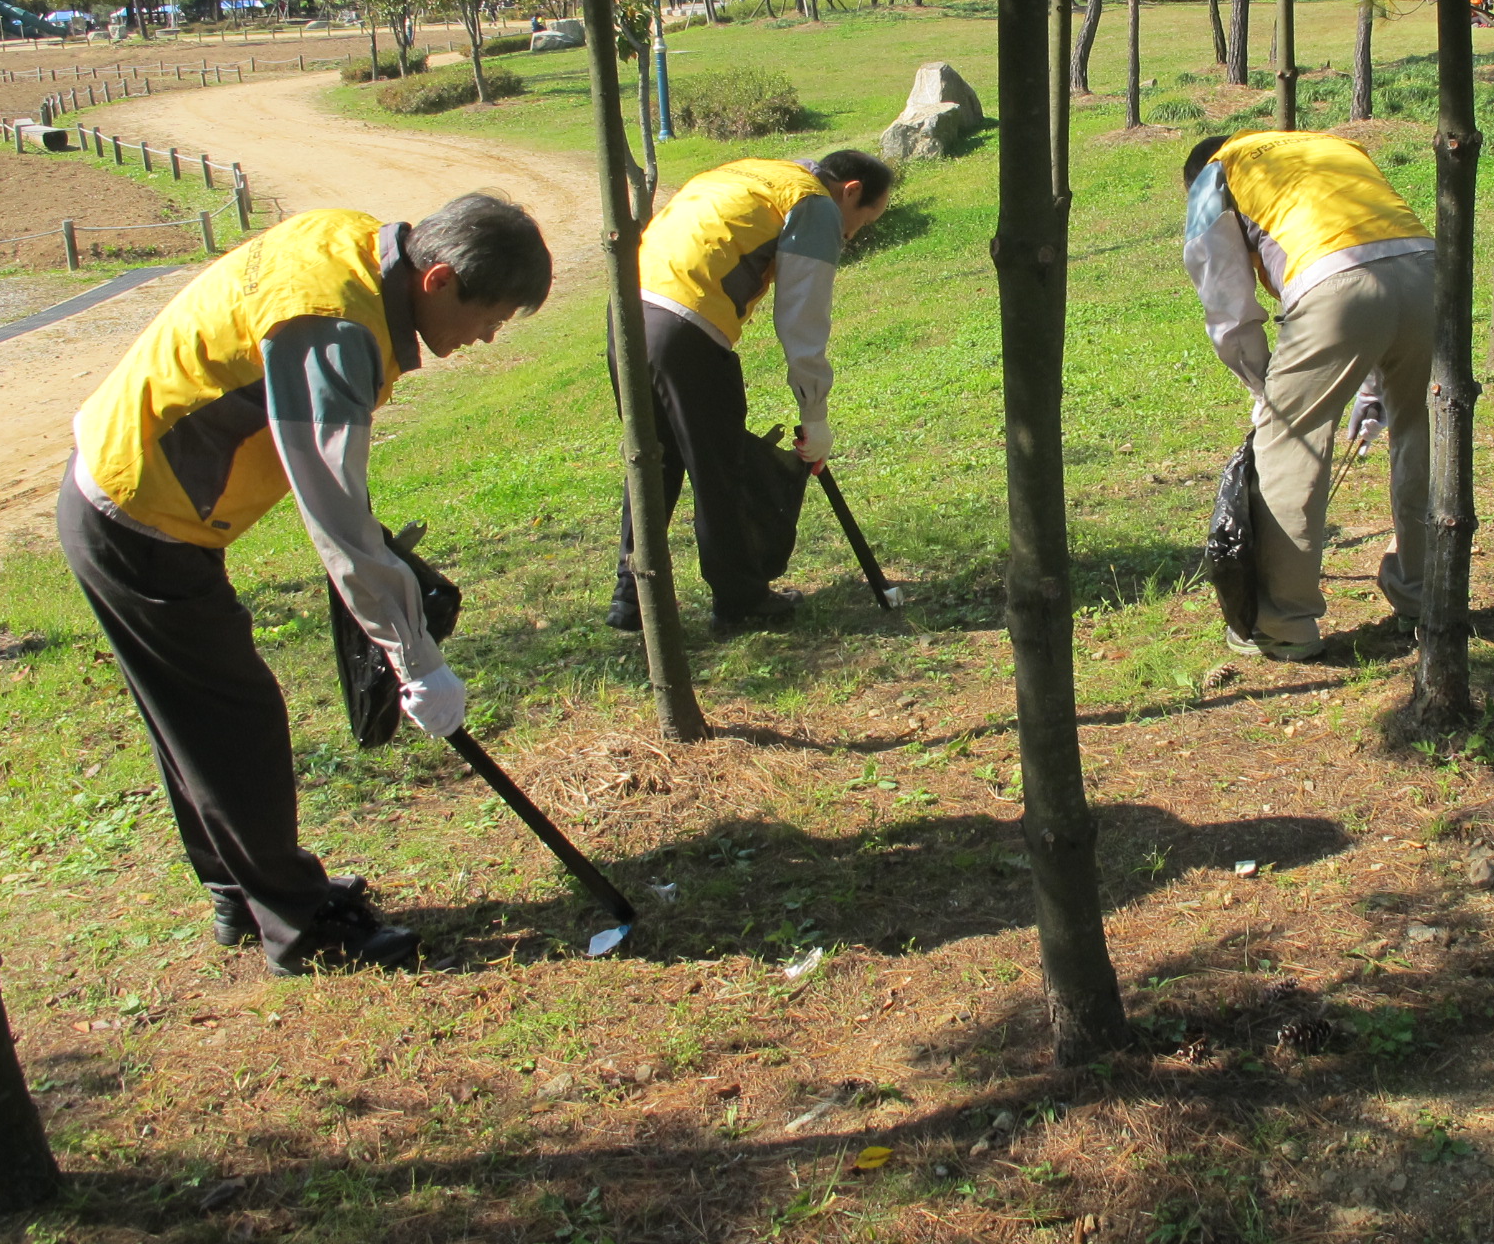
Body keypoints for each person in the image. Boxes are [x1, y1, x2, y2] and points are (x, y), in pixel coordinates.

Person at [59, 195, 552, 975]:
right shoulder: (335, 326)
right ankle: (300, 927)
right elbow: (337, 520)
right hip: (138, 513)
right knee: (235, 720)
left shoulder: (357, 249)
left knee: (195, 718)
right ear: (440, 281)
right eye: (489, 317)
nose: (487, 337)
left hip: (138, 497)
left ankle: (241, 891)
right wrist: (415, 657)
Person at [607, 149, 893, 635]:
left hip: (625, 316)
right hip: (685, 329)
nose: (850, 235)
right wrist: (815, 415)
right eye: (862, 222)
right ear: (851, 191)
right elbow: (803, 320)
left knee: (653, 461)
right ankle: (740, 600)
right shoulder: (814, 204)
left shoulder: (752, 173)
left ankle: (632, 600)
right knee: (719, 469)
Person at [1181, 130, 1436, 662]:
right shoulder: (1328, 145)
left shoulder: (1216, 174)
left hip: (1332, 284)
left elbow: (1228, 305)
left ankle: (1282, 623)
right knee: (1421, 432)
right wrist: (1372, 386)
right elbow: (1372, 256)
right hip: (1429, 269)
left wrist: (1266, 391)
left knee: (1288, 446)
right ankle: (1426, 593)